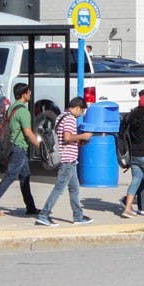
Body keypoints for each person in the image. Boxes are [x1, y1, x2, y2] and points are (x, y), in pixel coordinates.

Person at [0, 83, 40, 217]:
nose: (30, 95)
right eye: (29, 92)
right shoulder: (23, 111)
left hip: (14, 145)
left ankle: (30, 207)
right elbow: (27, 132)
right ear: (24, 94)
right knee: (10, 176)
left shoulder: (12, 108)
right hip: (19, 147)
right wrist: (40, 146)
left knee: (25, 176)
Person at [35, 97, 93, 226]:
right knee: (59, 188)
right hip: (67, 160)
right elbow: (67, 138)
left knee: (74, 189)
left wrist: (78, 141)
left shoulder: (61, 116)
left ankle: (78, 216)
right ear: (77, 108)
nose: (81, 115)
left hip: (69, 159)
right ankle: (44, 214)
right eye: (82, 111)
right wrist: (83, 136)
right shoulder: (70, 119)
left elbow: (64, 138)